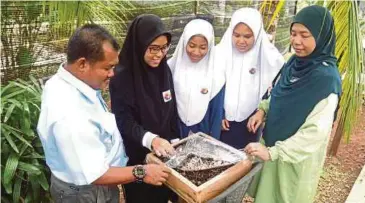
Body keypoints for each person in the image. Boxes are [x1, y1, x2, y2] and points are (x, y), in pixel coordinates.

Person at [37, 24, 171, 203]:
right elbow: (96, 174)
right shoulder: (71, 117)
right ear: (82, 64)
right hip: (87, 193)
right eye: (107, 68)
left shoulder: (64, 82)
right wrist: (143, 172)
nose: (112, 74)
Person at [245, 5, 342, 203]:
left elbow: (314, 133)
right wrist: (263, 110)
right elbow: (279, 92)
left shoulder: (326, 80)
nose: (296, 41)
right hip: (272, 149)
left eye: (305, 35)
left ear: (322, 35)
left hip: (294, 160)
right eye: (293, 33)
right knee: (265, 196)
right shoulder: (294, 62)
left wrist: (274, 152)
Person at [109, 14, 180, 203]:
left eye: (164, 48)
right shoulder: (121, 77)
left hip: (164, 153)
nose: (159, 54)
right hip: (138, 157)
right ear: (139, 45)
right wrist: (151, 140)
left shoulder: (164, 70)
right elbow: (124, 121)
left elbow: (171, 109)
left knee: (163, 195)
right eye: (153, 48)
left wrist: (176, 140)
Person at [217, 8, 285, 149]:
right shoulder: (219, 54)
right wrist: (218, 114)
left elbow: (277, 90)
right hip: (222, 122)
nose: (241, 41)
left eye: (247, 36)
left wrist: (261, 112)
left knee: (246, 160)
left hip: (250, 123)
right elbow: (212, 88)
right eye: (236, 35)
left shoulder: (271, 59)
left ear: (258, 34)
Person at [168, 19, 225, 139]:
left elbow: (216, 112)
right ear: (184, 42)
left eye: (203, 47)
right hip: (175, 128)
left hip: (203, 131)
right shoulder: (171, 68)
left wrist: (213, 140)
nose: (196, 52)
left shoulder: (217, 75)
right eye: (192, 46)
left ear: (209, 47)